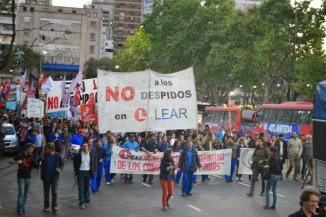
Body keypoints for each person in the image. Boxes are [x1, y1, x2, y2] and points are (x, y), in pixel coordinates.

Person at [9, 143, 35, 215]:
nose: (32, 151)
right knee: (21, 194)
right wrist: (17, 162)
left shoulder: (32, 156)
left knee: (25, 194)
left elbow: (33, 165)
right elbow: (10, 161)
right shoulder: (21, 155)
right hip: (21, 177)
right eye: (31, 149)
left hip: (28, 177)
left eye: (32, 149)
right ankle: (19, 210)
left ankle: (22, 207)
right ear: (27, 149)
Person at [40, 143, 64, 213]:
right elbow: (39, 160)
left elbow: (62, 164)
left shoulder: (58, 155)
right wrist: (40, 159)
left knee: (54, 192)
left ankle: (54, 206)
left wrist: (60, 169)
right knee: (46, 193)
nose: (45, 150)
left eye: (46, 149)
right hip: (46, 177)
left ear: (51, 149)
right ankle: (46, 206)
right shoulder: (44, 155)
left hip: (54, 177)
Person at [73, 142, 97, 209]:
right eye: (84, 146)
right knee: (81, 188)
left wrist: (93, 171)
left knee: (87, 188)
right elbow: (75, 162)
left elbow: (93, 163)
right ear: (82, 147)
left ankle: (84, 198)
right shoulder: (79, 155)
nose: (85, 147)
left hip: (88, 173)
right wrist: (76, 170)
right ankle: (81, 202)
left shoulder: (91, 154)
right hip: (81, 173)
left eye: (86, 146)